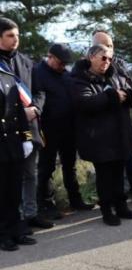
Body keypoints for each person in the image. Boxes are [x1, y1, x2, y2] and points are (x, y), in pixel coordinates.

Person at [71, 44, 132, 226]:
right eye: (103, 58)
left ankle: (121, 206)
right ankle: (107, 211)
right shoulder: (80, 79)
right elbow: (86, 103)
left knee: (118, 173)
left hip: (119, 134)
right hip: (98, 138)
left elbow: (129, 92)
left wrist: (128, 95)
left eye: (110, 59)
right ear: (91, 57)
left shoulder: (114, 76)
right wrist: (112, 96)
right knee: (105, 177)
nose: (107, 62)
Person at [0, 17, 52, 231]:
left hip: (30, 127)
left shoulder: (26, 61)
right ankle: (14, 220)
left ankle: (30, 214)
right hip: (7, 132)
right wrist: (23, 111)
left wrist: (36, 109)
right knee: (10, 179)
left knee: (31, 173)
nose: (16, 40)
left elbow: (39, 91)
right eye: (10, 36)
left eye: (18, 35)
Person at [92, 31, 132, 206]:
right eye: (103, 46)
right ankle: (112, 200)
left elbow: (130, 88)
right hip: (103, 126)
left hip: (123, 120)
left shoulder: (119, 65)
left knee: (130, 160)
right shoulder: (90, 66)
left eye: (110, 46)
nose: (108, 50)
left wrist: (125, 95)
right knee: (108, 167)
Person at [35, 44, 95, 218]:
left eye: (65, 64)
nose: (63, 67)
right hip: (48, 129)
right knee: (46, 167)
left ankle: (75, 199)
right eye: (60, 63)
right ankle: (46, 204)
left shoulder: (66, 75)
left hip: (68, 128)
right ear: (50, 57)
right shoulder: (38, 73)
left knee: (70, 165)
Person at [0, 50, 36, 250]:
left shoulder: (6, 76)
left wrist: (26, 138)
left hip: (13, 143)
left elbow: (19, 112)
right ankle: (3, 234)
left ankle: (17, 230)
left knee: (14, 190)